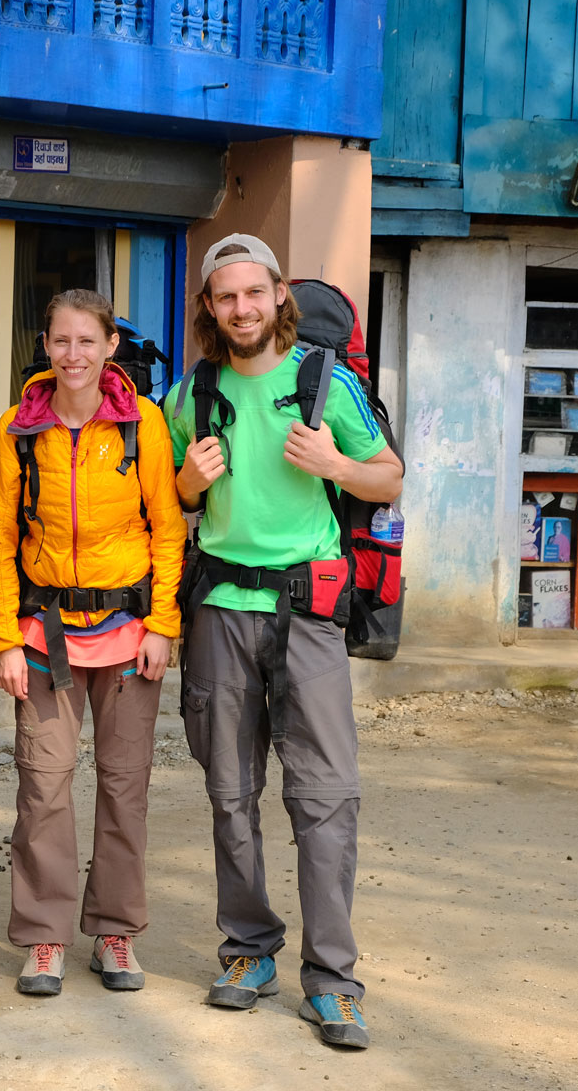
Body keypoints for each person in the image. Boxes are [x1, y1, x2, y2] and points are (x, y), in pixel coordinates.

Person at [167, 234, 402, 1050]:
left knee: (324, 797)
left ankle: (333, 979)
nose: (241, 309)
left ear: (276, 297)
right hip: (221, 610)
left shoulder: (324, 382)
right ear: (210, 308)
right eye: (225, 297)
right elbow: (166, 502)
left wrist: (336, 461)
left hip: (309, 612)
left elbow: (390, 479)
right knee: (229, 791)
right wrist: (187, 485)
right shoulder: (188, 393)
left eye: (253, 294)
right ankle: (248, 950)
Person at [0, 288, 186, 997]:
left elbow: (167, 529)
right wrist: (4, 638)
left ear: (109, 348)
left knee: (125, 788)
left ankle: (117, 932)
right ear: (45, 345)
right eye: (61, 341)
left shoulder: (144, 425)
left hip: (129, 635)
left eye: (87, 342)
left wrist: (164, 627)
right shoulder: (14, 430)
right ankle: (44, 938)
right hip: (43, 637)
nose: (73, 355)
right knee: (42, 788)